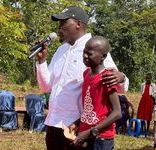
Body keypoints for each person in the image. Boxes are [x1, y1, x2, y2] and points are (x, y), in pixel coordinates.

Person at [35, 6, 129, 150]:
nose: (59, 26)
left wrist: (121, 77)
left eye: (64, 22)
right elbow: (47, 86)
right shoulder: (61, 50)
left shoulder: (94, 49)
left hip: (75, 127)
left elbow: (118, 84)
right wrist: (42, 61)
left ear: (78, 24)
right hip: (53, 122)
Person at [73, 36, 122, 150]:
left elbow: (117, 112)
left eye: (89, 54)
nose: (85, 56)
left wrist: (92, 131)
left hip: (101, 138)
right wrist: (78, 123)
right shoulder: (86, 74)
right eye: (84, 52)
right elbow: (91, 108)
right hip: (85, 135)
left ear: (103, 56)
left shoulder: (107, 77)